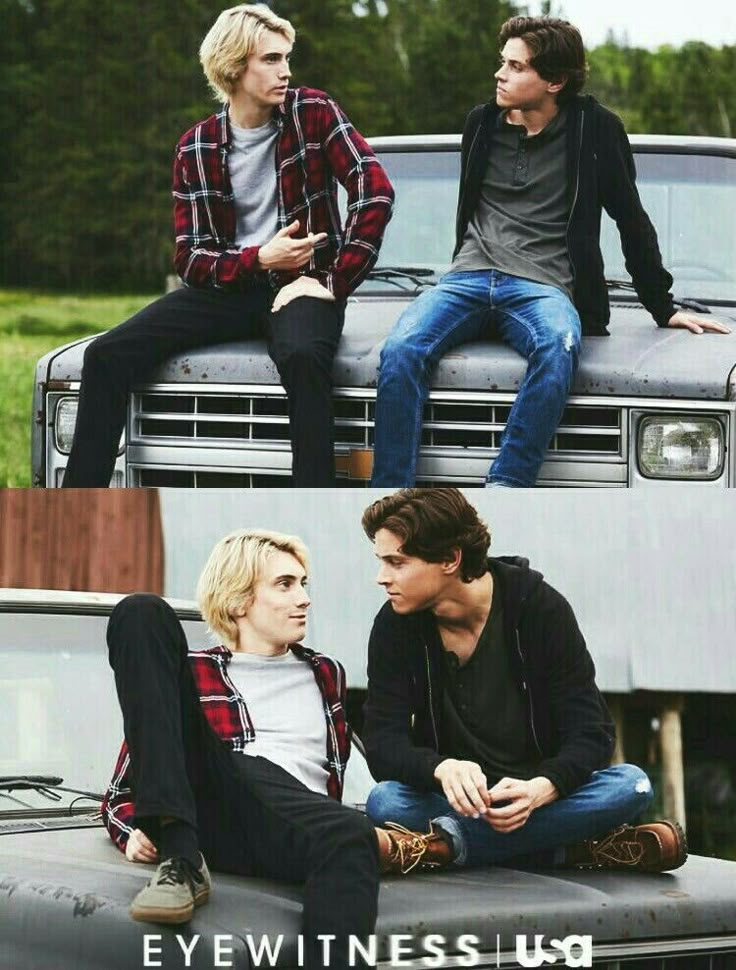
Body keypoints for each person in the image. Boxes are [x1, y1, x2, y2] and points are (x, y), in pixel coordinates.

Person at [370, 16, 730, 488]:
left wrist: (662, 307)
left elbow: (631, 218)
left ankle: (507, 486)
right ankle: (391, 493)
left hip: (543, 287)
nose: (500, 74)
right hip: (468, 276)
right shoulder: (480, 123)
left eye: (516, 67)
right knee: (399, 350)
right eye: (503, 63)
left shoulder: (596, 130)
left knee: (558, 347)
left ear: (555, 81)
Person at [62, 3, 393, 488]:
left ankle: (313, 505)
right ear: (235, 66)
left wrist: (332, 281)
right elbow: (191, 259)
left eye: (286, 58)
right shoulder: (196, 146)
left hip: (303, 286)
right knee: (106, 355)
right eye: (271, 60)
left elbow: (374, 188)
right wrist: (260, 257)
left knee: (303, 357)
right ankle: (77, 507)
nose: (286, 71)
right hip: (232, 287)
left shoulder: (314, 113)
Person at [102, 529, 448, 969]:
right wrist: (131, 832)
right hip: (217, 816)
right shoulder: (194, 673)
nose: (303, 598)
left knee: (348, 831)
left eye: (304, 584)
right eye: (285, 585)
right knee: (140, 612)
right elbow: (118, 795)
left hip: (296, 830)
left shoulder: (327, 673)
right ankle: (183, 861)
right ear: (238, 600)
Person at [361, 488, 687, 873]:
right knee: (385, 801)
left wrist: (543, 788)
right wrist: (441, 768)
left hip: (537, 799)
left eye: (397, 562)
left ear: (450, 559)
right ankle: (571, 851)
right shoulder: (394, 626)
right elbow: (383, 741)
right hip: (462, 802)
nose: (382, 578)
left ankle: (444, 847)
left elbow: (592, 733)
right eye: (382, 561)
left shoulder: (539, 610)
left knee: (631, 784)